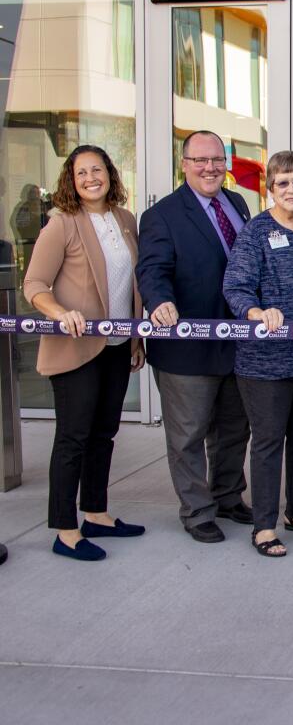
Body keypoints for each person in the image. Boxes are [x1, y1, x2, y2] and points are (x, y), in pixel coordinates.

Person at [23, 145, 146, 561]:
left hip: (115, 346)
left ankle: (95, 513)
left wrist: (135, 338)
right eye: (82, 172)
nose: (91, 177)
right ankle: (65, 529)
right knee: (73, 438)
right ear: (71, 181)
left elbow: (132, 285)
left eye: (98, 169)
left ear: (110, 174)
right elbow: (34, 285)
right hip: (76, 347)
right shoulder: (61, 225)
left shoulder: (125, 220)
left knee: (103, 435)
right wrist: (60, 313)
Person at [137, 130, 252, 544]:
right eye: (200, 160)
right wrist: (159, 302)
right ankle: (198, 510)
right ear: (183, 164)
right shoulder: (162, 215)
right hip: (187, 344)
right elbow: (152, 269)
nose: (210, 167)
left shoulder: (237, 204)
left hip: (237, 341)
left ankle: (227, 496)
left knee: (234, 428)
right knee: (188, 434)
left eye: (217, 159)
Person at [222, 151, 293, 558]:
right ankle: (264, 526)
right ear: (270, 188)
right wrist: (256, 312)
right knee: (268, 442)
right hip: (265, 363)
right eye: (283, 183)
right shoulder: (256, 232)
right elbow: (235, 286)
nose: (292, 190)